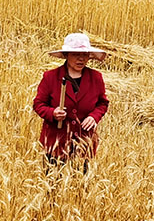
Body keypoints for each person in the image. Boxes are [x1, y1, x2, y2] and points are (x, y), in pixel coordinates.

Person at [33, 33, 109, 169]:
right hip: (56, 142)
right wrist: (52, 113)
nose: (81, 59)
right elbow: (38, 104)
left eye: (85, 55)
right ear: (66, 55)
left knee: (80, 186)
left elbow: (102, 103)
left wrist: (94, 117)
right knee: (53, 185)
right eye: (75, 54)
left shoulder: (96, 78)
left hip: (84, 142)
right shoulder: (50, 77)